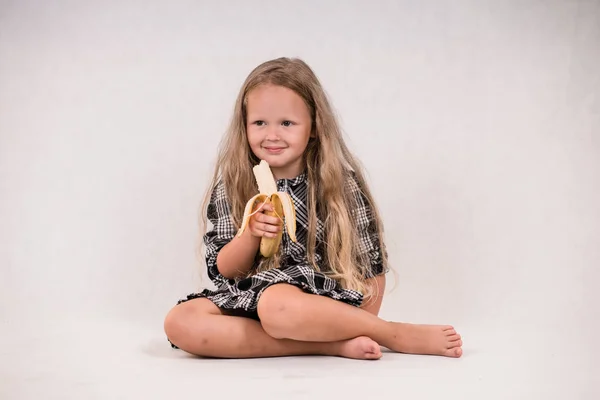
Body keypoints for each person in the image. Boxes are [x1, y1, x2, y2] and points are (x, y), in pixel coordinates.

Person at [163, 57, 463, 360]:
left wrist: (367, 324)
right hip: (250, 301)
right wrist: (250, 234)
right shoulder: (233, 185)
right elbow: (223, 271)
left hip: (316, 306)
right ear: (245, 126)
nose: (272, 135)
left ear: (315, 127)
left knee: (276, 303)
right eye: (259, 123)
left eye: (287, 123)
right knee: (180, 322)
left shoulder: (339, 185)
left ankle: (392, 333)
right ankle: (327, 346)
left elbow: (370, 263)